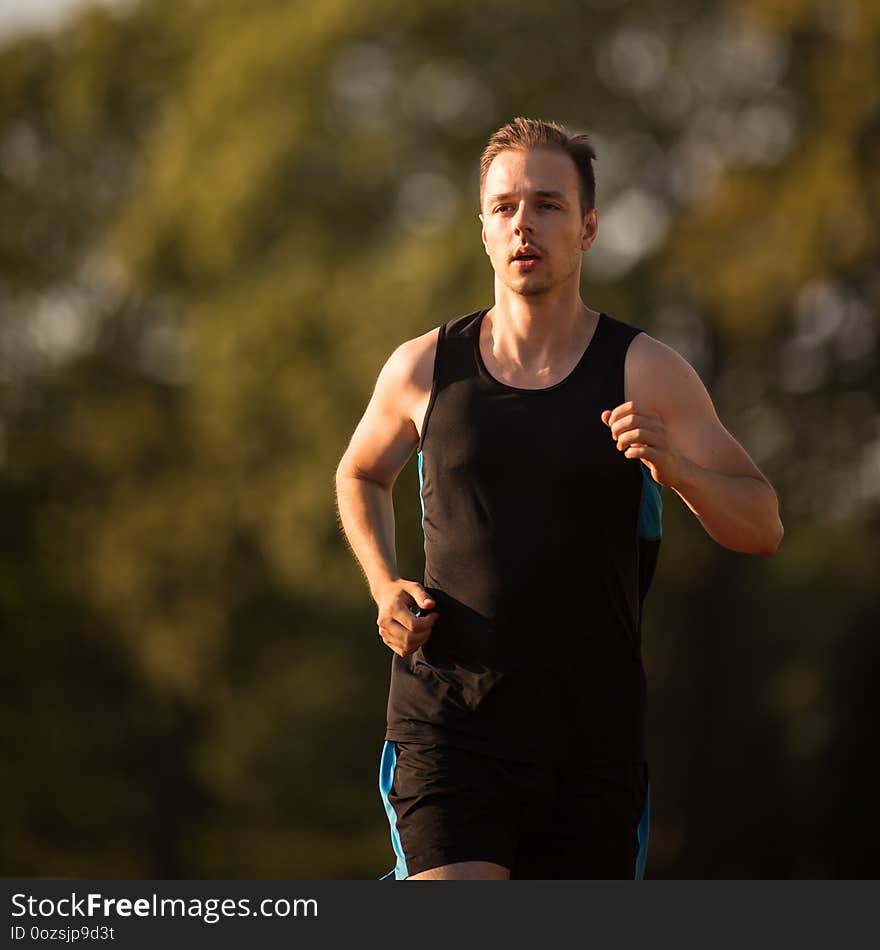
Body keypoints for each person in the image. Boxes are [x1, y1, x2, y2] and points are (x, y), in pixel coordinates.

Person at [334, 117, 784, 881]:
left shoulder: (645, 371)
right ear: (483, 230)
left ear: (588, 227)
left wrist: (679, 471)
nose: (524, 224)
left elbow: (762, 524)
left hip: (592, 744)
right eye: (505, 206)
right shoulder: (422, 369)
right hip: (451, 725)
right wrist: (384, 585)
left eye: (547, 204)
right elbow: (359, 473)